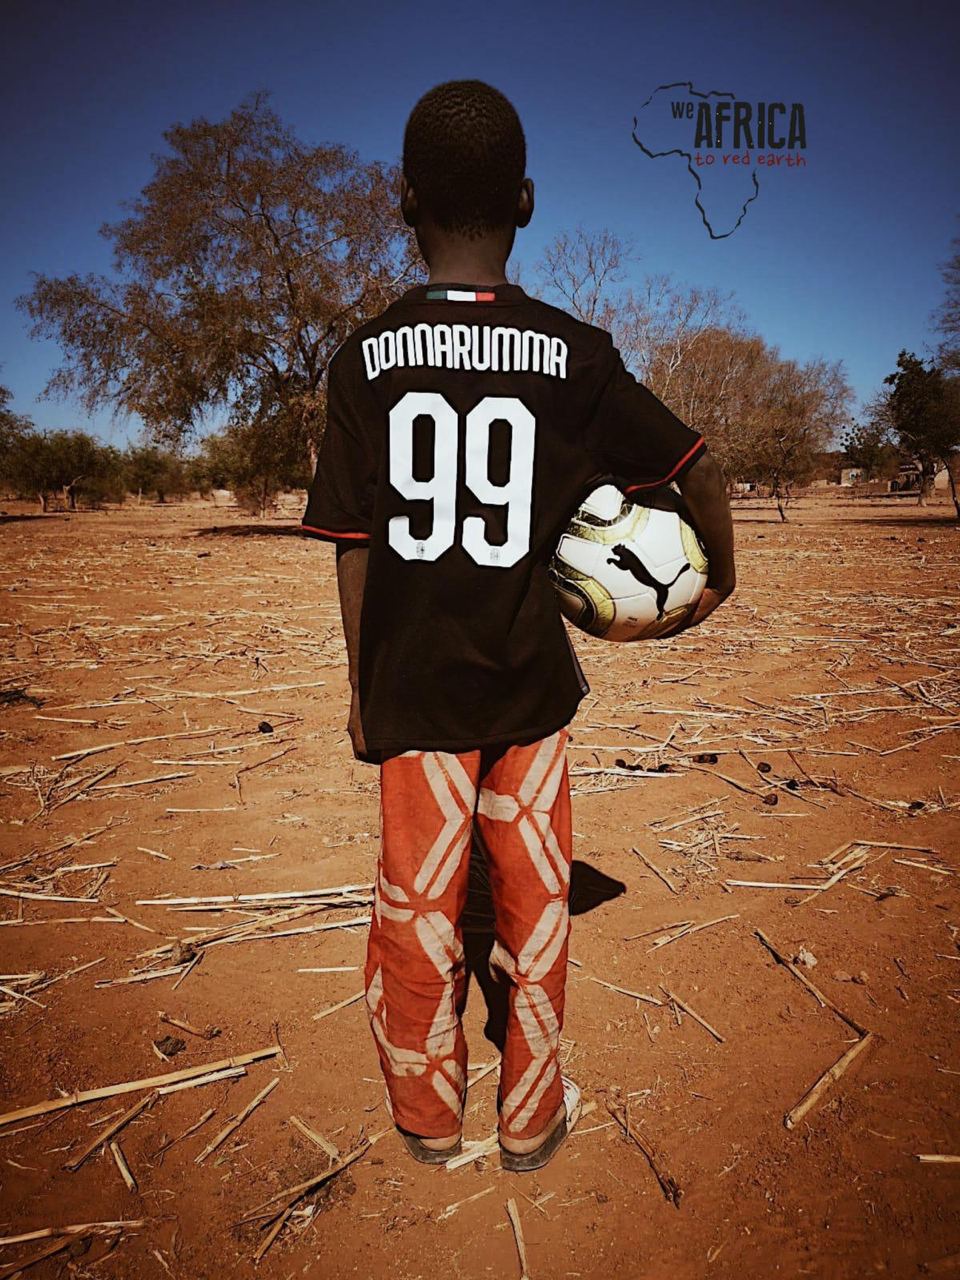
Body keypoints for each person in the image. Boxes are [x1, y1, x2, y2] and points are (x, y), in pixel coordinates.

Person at [302, 80, 736, 1171]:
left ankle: (426, 1115)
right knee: (535, 906)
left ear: (405, 200)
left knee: (419, 909)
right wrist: (716, 582)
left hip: (414, 694)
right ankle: (531, 1115)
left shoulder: (362, 360)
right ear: (527, 201)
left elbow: (354, 544)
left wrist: (362, 690)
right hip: (533, 691)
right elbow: (698, 468)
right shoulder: (576, 354)